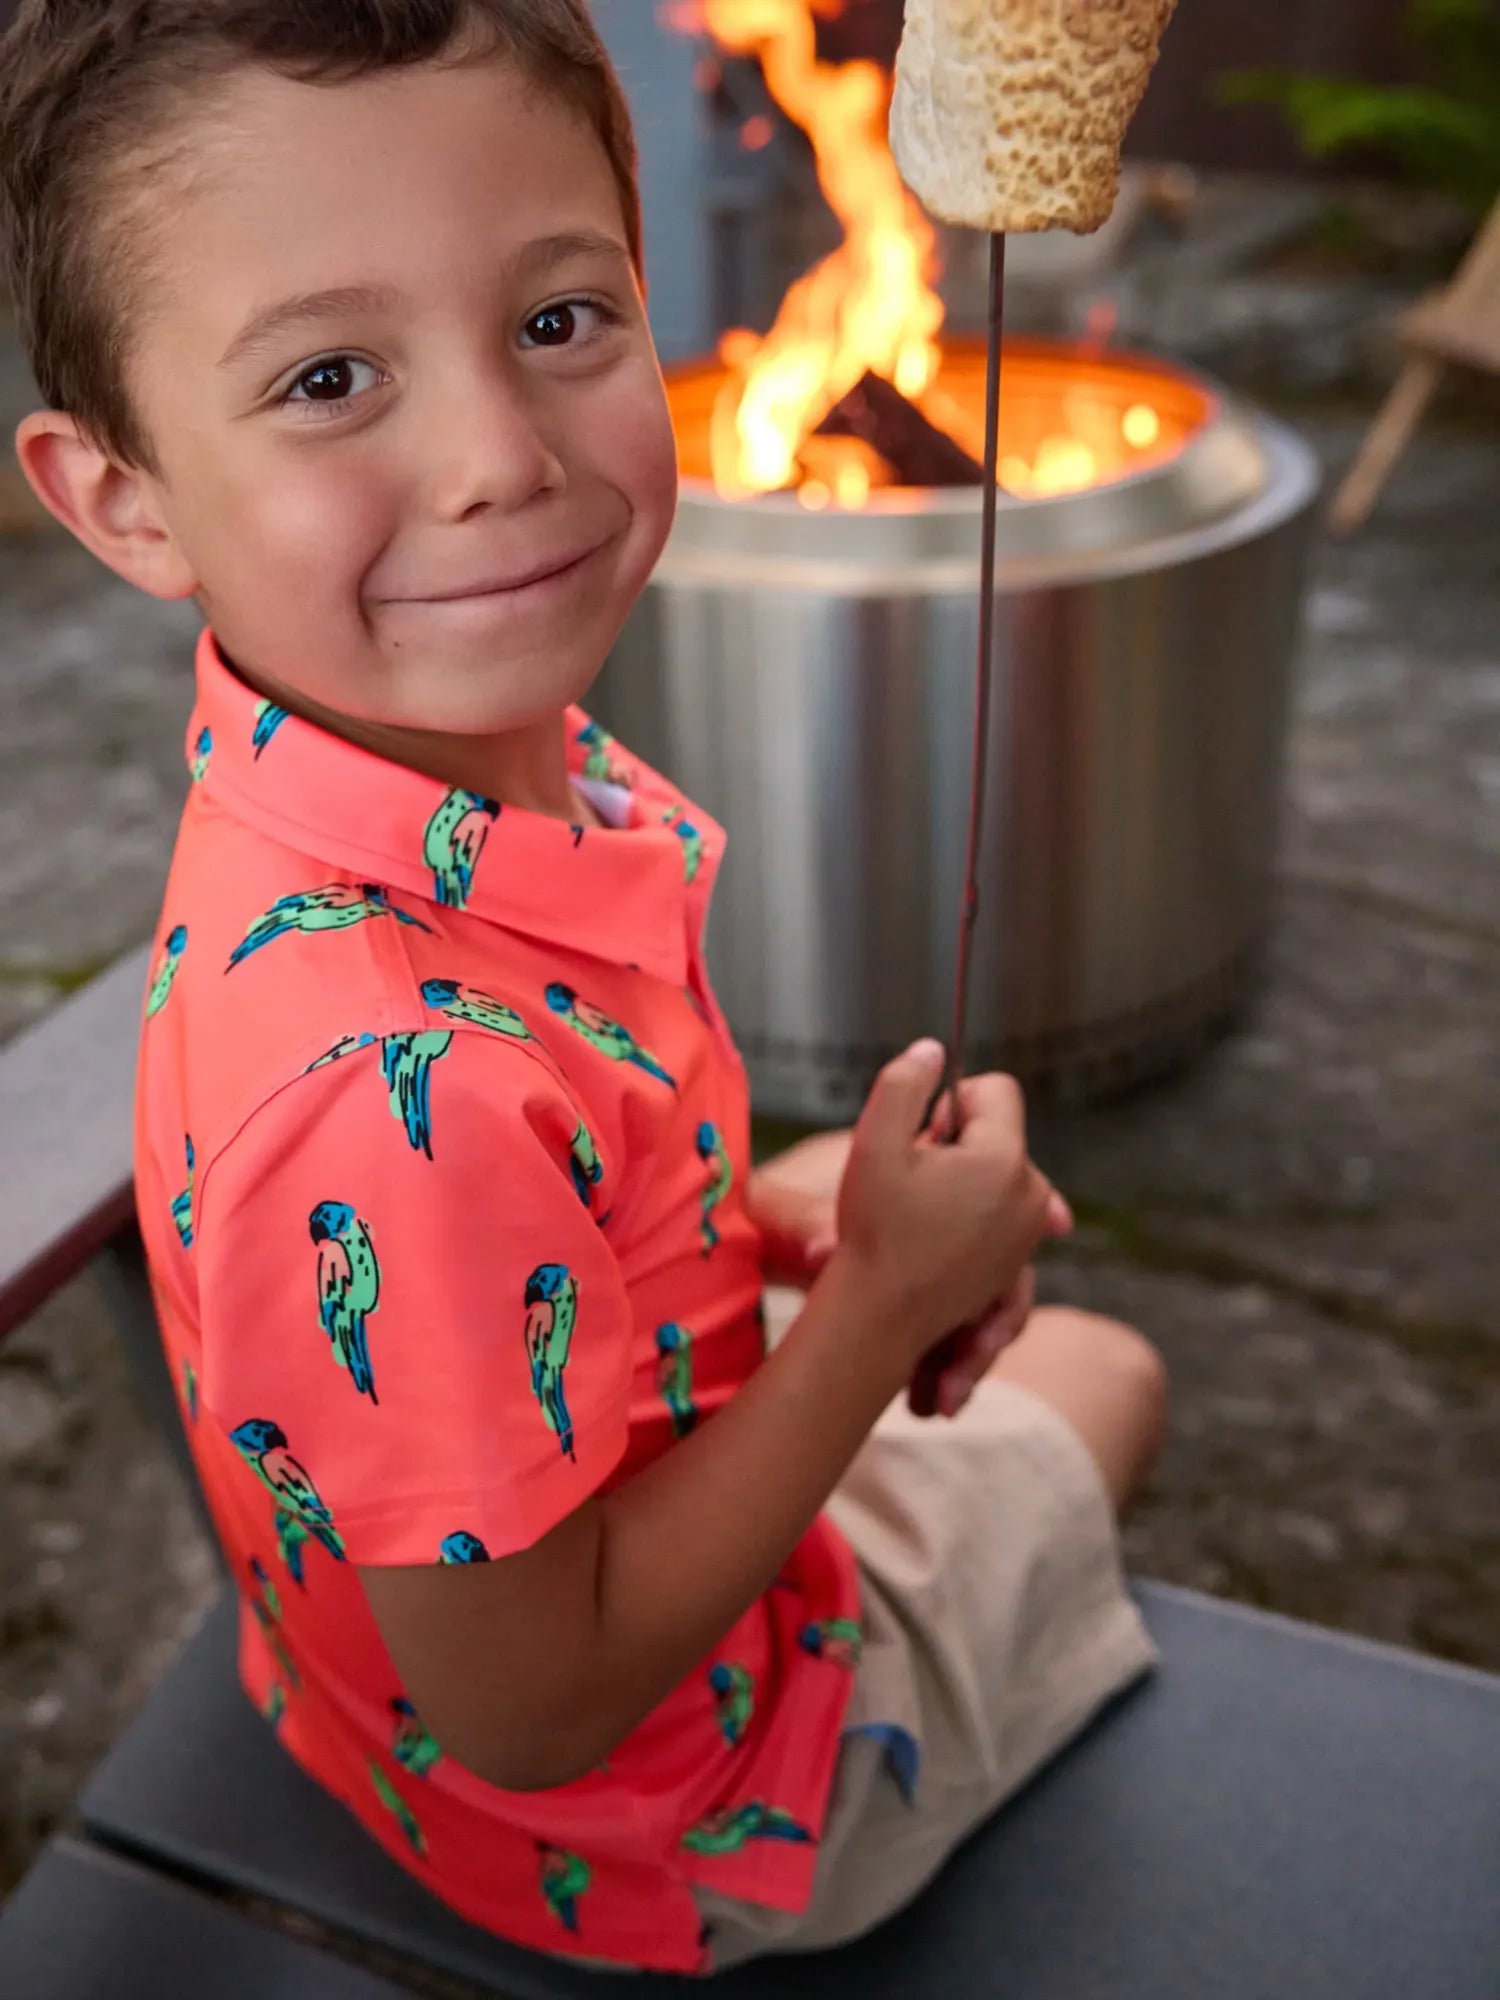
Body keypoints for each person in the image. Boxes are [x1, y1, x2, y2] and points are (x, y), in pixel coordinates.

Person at [1, 0, 1166, 1974]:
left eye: (560, 320)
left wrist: (765, 1228)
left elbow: (511, 1235)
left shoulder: (398, 771)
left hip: (395, 1670)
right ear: (124, 499)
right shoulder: (390, 1092)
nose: (499, 458)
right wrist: (879, 1309)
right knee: (1110, 1375)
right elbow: (534, 1709)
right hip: (665, 1810)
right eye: (329, 377)